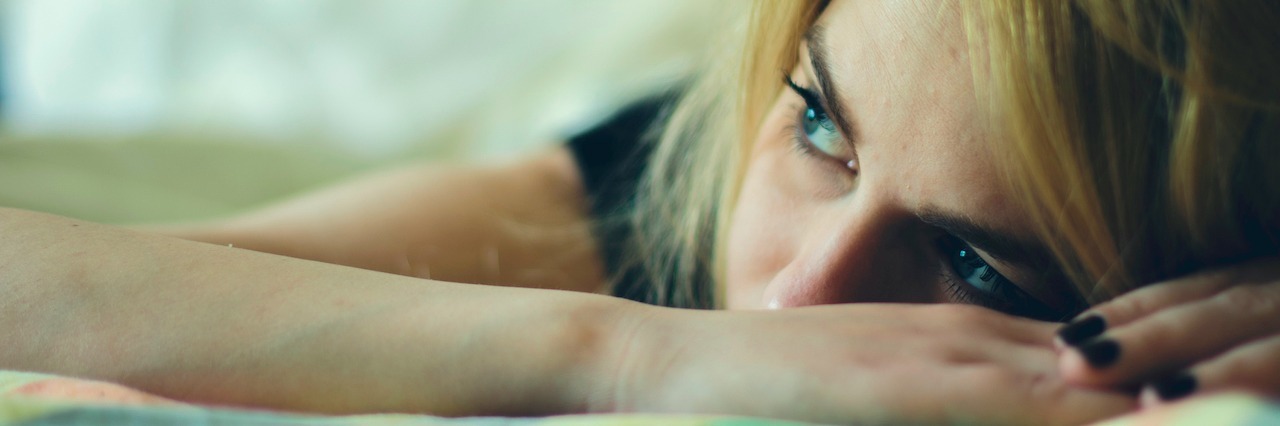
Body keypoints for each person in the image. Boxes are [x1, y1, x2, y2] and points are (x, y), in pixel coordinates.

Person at [1, 0, 1277, 424]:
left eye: (979, 268)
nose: (792, 300)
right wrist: (623, 346)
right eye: (822, 128)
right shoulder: (662, 181)